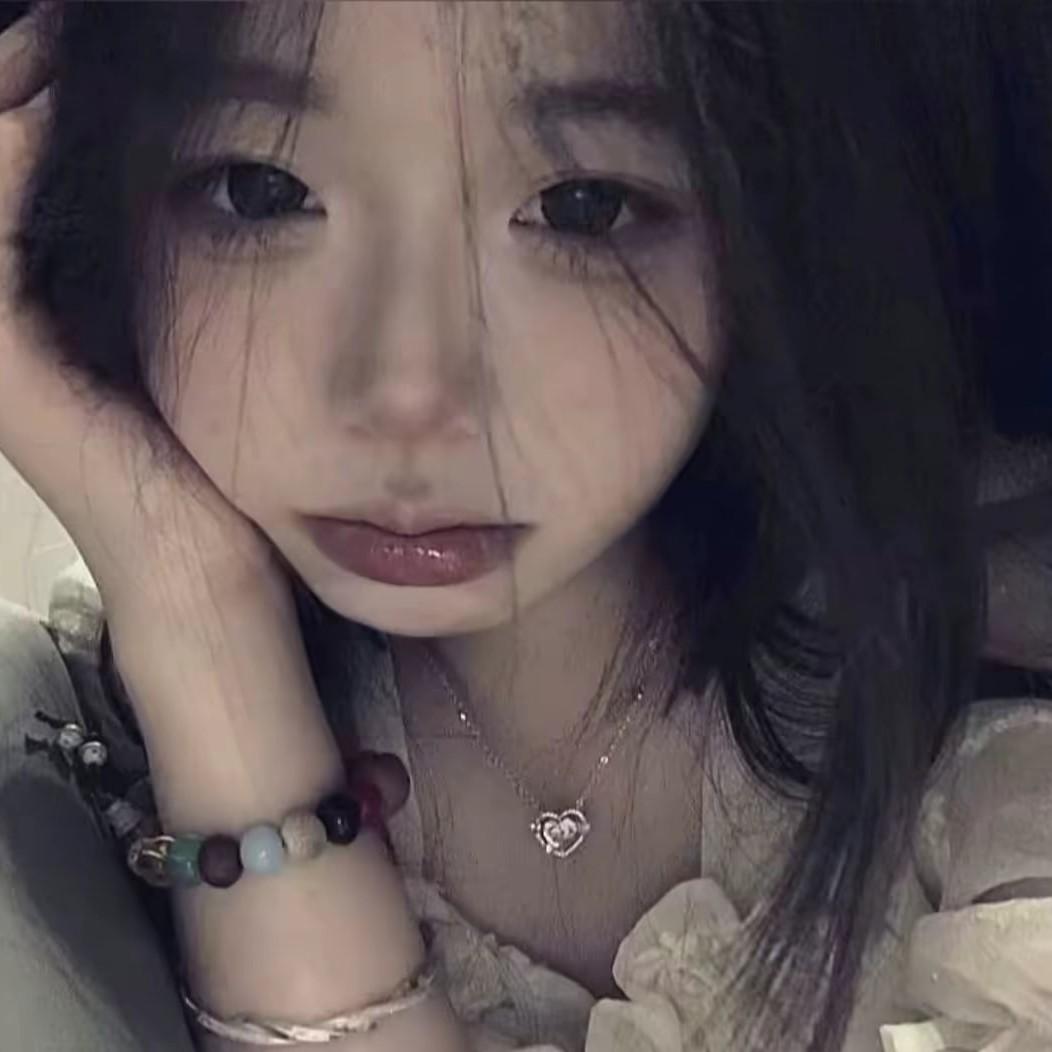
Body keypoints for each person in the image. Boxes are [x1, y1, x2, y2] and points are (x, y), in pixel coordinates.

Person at [0, 3, 1049, 1051]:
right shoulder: (83, 759)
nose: (407, 393)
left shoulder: (981, 730)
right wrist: (198, 612)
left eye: (582, 206)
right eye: (260, 190)